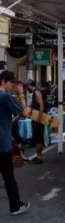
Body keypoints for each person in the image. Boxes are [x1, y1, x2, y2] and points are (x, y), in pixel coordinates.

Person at [0, 71, 31, 215]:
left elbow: (6, 120)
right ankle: (16, 206)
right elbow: (25, 112)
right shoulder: (5, 96)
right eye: (11, 83)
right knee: (9, 178)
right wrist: (21, 94)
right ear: (3, 81)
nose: (13, 86)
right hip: (3, 145)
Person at [27, 80, 52, 164]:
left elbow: (41, 104)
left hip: (38, 116)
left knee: (38, 138)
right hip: (38, 116)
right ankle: (38, 156)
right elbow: (34, 104)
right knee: (39, 137)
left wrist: (39, 117)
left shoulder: (37, 91)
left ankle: (39, 157)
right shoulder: (42, 92)